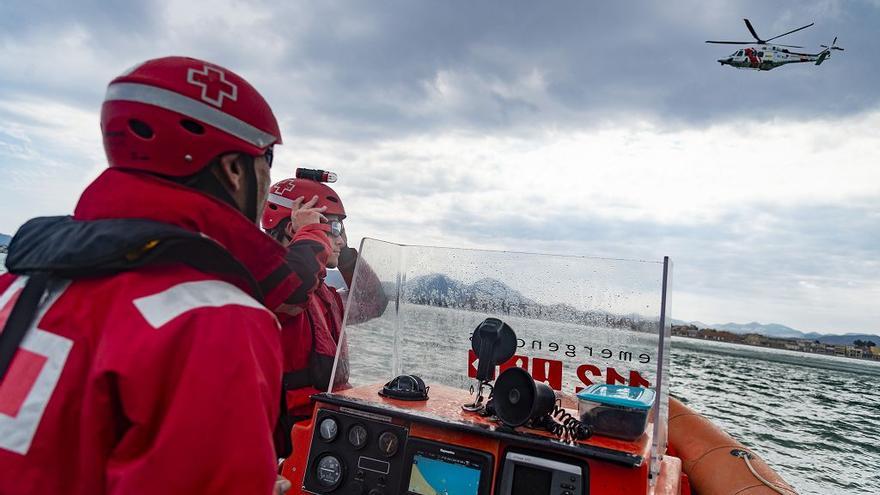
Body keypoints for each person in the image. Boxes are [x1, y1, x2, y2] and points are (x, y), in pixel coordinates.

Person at [0, 56, 319, 494]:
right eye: (266, 159)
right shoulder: (213, 320)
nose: (266, 179)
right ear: (232, 169)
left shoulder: (17, 286)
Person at [262, 175, 385, 421]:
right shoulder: (267, 291)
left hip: (329, 426)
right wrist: (312, 235)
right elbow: (291, 290)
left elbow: (373, 302)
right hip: (290, 440)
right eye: (332, 228)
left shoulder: (325, 297)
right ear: (294, 229)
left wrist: (346, 257)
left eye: (341, 230)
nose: (340, 239)